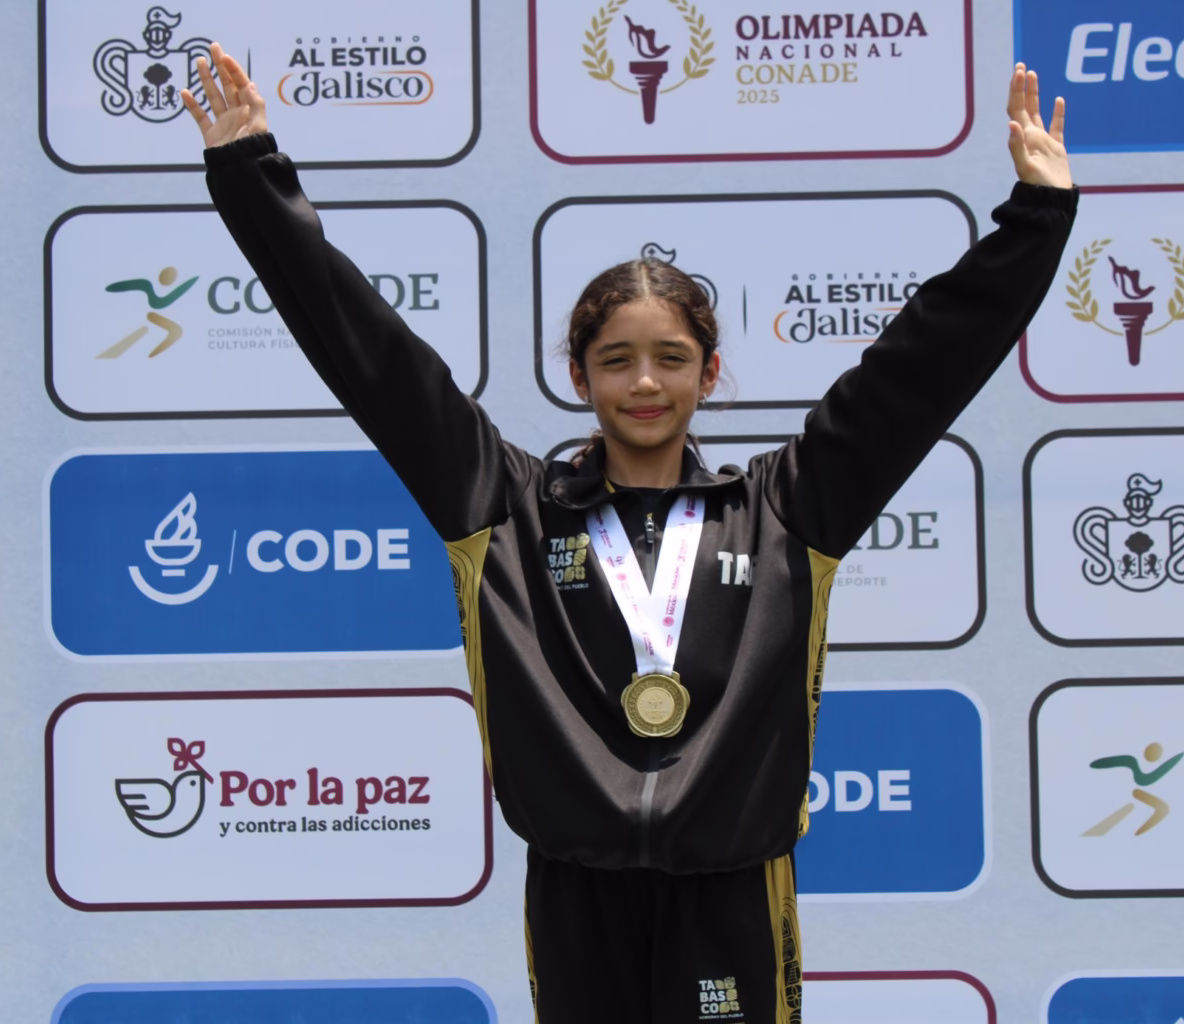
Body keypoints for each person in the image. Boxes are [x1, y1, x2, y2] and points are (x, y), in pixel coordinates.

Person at [184, 45, 1076, 1024]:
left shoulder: (787, 509)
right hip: (578, 895)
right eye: (616, 360)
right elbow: (372, 357)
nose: (644, 383)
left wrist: (1035, 217)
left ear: (709, 373)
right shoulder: (504, 508)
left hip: (731, 889)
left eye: (670, 358)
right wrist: (250, 174)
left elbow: (921, 367)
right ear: (580, 375)